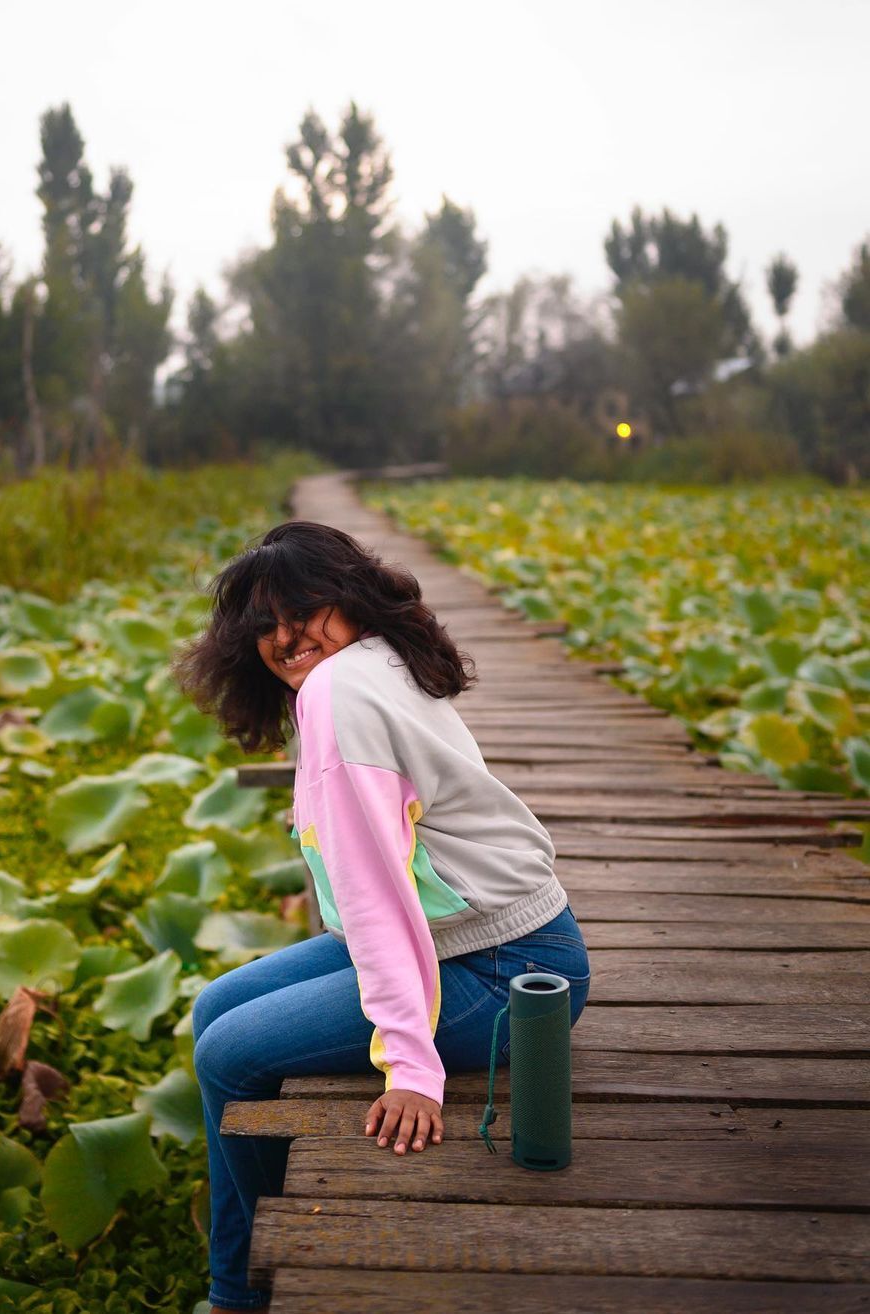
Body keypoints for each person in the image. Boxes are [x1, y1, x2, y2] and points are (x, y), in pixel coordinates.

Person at [171, 520, 590, 1314]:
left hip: (512, 969)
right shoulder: (368, 663)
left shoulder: (338, 691)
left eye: (304, 610)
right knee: (214, 1006)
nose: (285, 637)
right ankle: (244, 1255)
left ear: (351, 600)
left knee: (228, 1052)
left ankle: (238, 1294)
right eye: (264, 624)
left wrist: (411, 1064)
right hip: (478, 938)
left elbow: (376, 892)